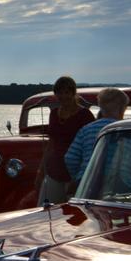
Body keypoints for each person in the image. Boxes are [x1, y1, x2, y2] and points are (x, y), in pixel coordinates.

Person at [39, 75, 95, 204]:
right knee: (45, 209)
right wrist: (41, 171)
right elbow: (51, 143)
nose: (63, 96)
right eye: (59, 93)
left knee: (73, 212)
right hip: (54, 171)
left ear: (73, 93)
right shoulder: (53, 114)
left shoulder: (85, 115)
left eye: (67, 92)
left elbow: (91, 145)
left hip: (74, 173)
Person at [64, 87, 129, 187]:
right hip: (119, 184)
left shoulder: (86, 130)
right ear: (122, 108)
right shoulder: (128, 131)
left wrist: (79, 176)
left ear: (100, 106)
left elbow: (70, 158)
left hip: (88, 181)